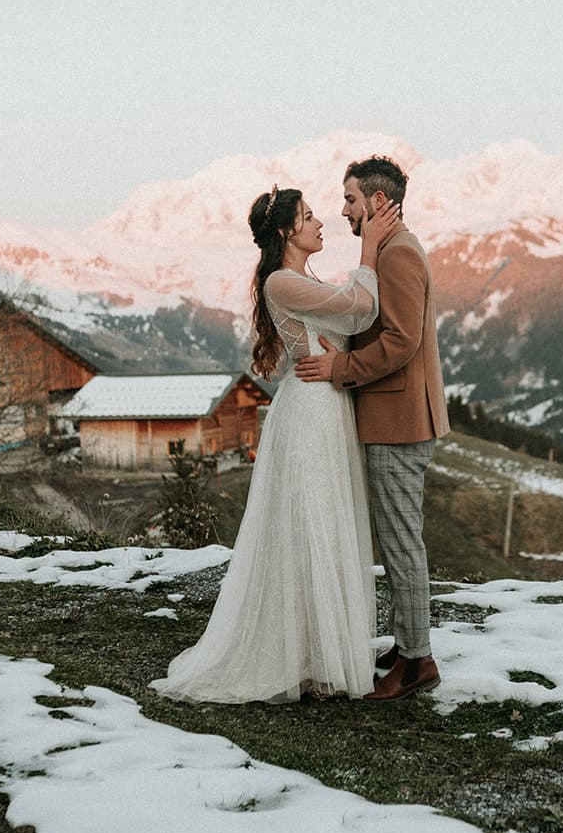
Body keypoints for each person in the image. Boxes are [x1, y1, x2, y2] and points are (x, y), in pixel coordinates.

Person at [150, 185, 398, 704]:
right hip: (311, 413)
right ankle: (311, 653)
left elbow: (350, 318)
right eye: (309, 217)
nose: (320, 223)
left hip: (327, 405)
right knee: (312, 522)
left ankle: (321, 649)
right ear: (287, 232)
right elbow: (361, 308)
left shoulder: (300, 279)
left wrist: (341, 343)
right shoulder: (282, 283)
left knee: (326, 523)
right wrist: (369, 249)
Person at [296, 155, 450, 701]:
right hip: (393, 416)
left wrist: (341, 369)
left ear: (377, 202)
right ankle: (408, 644)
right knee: (395, 538)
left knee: (402, 543)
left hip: (399, 420)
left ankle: (418, 663)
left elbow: (401, 341)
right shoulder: (388, 250)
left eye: (350, 201)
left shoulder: (399, 253)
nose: (343, 211)